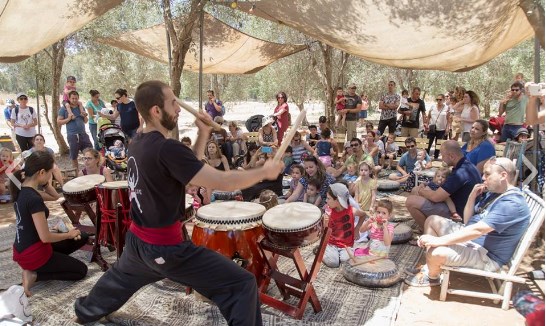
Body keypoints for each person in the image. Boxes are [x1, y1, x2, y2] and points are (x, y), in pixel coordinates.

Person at [74, 80, 283, 325]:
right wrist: (263, 172)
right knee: (240, 284)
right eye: (173, 103)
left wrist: (202, 134)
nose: (179, 108)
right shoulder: (166, 148)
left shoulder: (137, 143)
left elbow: (186, 173)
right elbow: (222, 180)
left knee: (118, 281)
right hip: (166, 249)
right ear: (156, 111)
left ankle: (86, 311)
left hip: (138, 242)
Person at [405, 157, 530, 287]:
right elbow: (468, 221)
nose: (482, 177)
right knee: (432, 220)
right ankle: (429, 267)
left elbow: (478, 230)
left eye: (487, 174)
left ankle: (432, 277)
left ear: (503, 175)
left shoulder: (511, 204)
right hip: (474, 242)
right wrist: (472, 196)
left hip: (486, 256)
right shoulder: (496, 193)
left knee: (435, 251)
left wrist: (439, 241)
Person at [11, 151, 88, 297]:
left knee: (82, 236)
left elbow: (55, 197)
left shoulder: (23, 190)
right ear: (41, 172)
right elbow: (45, 237)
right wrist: (67, 234)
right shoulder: (34, 198)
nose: (51, 176)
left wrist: (45, 183)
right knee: (81, 270)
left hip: (26, 247)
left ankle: (43, 265)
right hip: (33, 253)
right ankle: (35, 274)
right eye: (50, 173)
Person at [405, 140, 482, 229]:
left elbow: (436, 197)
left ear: (451, 156)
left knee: (411, 201)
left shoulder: (460, 173)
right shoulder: (467, 165)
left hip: (458, 214)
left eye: (443, 155)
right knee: (415, 190)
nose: (442, 158)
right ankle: (426, 223)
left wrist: (421, 191)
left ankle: (428, 232)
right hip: (458, 204)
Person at [322, 183, 363, 268]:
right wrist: (325, 223)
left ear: (337, 200)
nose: (326, 200)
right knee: (333, 263)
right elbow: (325, 231)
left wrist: (357, 229)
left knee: (346, 260)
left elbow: (363, 215)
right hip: (332, 244)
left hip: (346, 245)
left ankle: (333, 254)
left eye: (329, 198)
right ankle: (321, 251)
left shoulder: (352, 210)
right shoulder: (329, 212)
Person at [57, 91, 92, 170]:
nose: (74, 100)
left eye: (76, 98)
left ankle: (90, 172)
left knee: (90, 153)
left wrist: (85, 116)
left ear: (78, 98)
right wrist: (68, 118)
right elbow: (58, 121)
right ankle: (76, 174)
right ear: (69, 98)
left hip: (83, 135)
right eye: (72, 98)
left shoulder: (81, 107)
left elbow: (85, 121)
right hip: (72, 136)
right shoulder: (64, 109)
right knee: (74, 156)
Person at [426, 94, 450, 160]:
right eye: (437, 99)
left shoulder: (447, 108)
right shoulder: (433, 107)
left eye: (440, 99)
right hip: (432, 128)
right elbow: (428, 117)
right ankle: (426, 157)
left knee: (438, 144)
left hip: (441, 129)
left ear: (443, 100)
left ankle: (436, 157)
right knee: (428, 143)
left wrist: (447, 127)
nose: (438, 101)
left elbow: (448, 119)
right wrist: (427, 124)